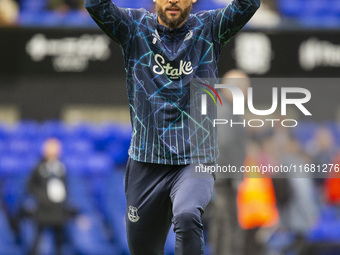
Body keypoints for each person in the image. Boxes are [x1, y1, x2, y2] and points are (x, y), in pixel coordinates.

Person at [85, 0, 260, 254]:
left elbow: (249, 3)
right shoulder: (134, 27)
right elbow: (95, 5)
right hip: (146, 163)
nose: (174, 0)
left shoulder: (209, 28)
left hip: (193, 159)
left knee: (187, 215)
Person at [209, 70, 249, 255]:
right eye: (245, 87)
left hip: (218, 179)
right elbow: (224, 143)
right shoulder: (225, 110)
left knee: (221, 225)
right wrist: (236, 176)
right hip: (223, 181)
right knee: (228, 226)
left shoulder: (223, 107)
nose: (247, 92)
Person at [27, 138, 74, 255]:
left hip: (58, 209)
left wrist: (64, 197)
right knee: (38, 239)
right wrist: (41, 197)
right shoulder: (39, 167)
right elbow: (31, 186)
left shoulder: (61, 167)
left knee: (59, 241)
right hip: (43, 209)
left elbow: (66, 185)